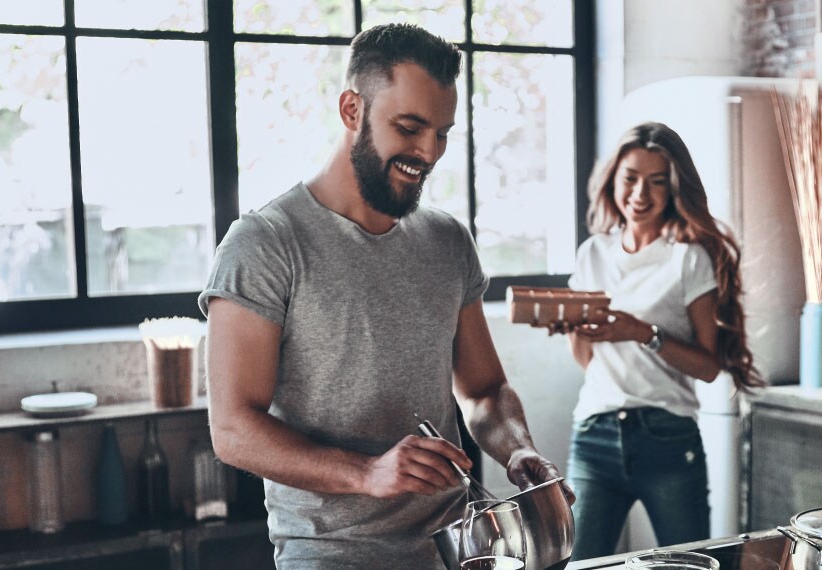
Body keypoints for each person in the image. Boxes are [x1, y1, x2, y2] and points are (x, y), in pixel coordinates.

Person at [198, 23, 564, 570]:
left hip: (459, 552)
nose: (429, 152)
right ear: (352, 110)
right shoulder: (266, 243)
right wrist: (366, 473)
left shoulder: (448, 241)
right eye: (410, 127)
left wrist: (519, 448)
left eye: (442, 132)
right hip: (331, 557)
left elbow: (485, 390)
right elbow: (232, 430)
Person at [556, 122, 764, 561]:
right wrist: (574, 327)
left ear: (673, 190)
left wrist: (641, 332)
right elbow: (588, 362)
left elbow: (709, 367)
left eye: (657, 182)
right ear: (613, 180)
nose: (640, 194)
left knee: (690, 566)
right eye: (630, 178)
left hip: (668, 438)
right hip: (595, 435)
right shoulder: (592, 254)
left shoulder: (689, 258)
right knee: (578, 563)